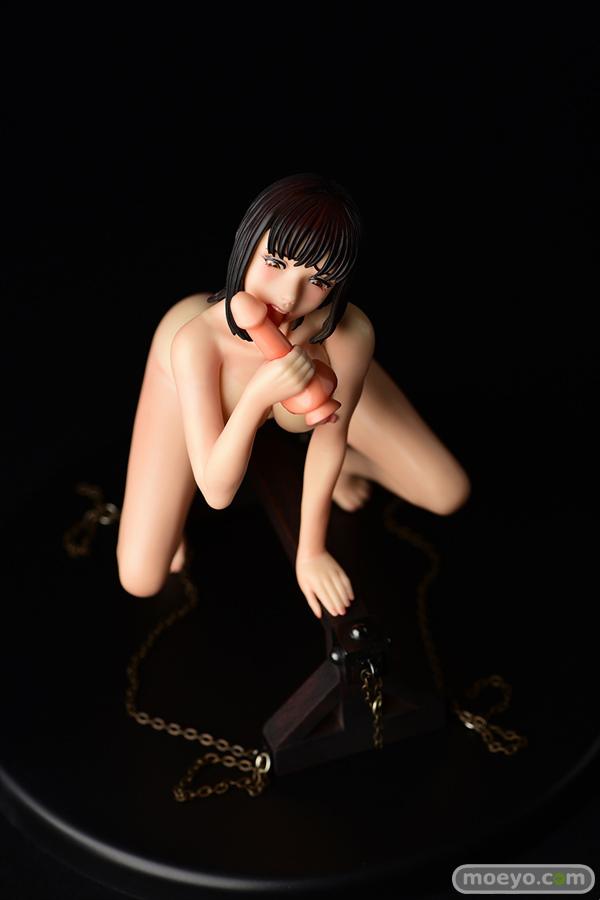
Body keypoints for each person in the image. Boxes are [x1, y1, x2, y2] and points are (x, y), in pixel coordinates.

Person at [117, 174, 470, 619]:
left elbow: (331, 435)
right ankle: (169, 504)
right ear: (247, 244)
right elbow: (218, 492)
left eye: (319, 280)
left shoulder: (347, 332)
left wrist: (312, 551)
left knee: (447, 491)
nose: (289, 296)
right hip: (189, 381)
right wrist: (256, 398)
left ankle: (350, 467)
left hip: (315, 399)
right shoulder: (193, 342)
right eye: (276, 262)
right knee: (142, 577)